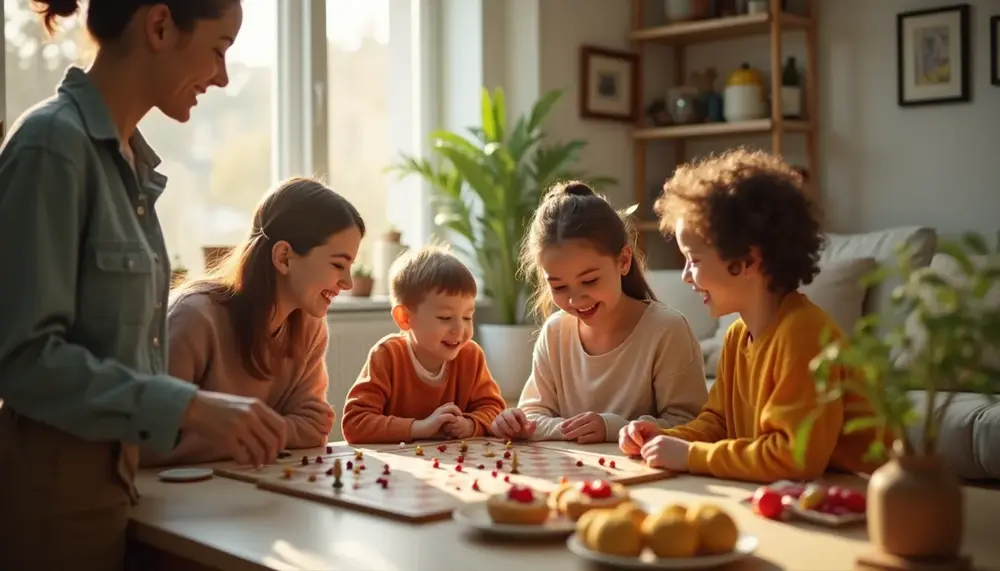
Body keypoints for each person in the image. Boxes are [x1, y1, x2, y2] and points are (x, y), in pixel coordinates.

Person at [0, 2, 288, 570]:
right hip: (48, 509)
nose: (223, 76)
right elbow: (22, 358)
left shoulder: (130, 166)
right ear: (159, 25)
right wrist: (192, 407)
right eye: (219, 48)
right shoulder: (50, 147)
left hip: (114, 495)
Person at [619, 148, 886, 483]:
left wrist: (689, 456)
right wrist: (665, 438)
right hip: (800, 495)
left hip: (857, 500)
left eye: (694, 260)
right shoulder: (737, 335)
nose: (686, 275)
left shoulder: (804, 334)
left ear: (748, 261)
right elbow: (718, 423)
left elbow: (793, 456)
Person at [141, 178, 364, 467]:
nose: (347, 283)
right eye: (338, 265)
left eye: (350, 268)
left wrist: (237, 430)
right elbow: (147, 440)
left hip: (247, 487)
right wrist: (271, 431)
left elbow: (313, 426)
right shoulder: (193, 318)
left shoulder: (309, 326)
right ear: (284, 257)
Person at [489, 182, 708, 443]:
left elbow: (693, 426)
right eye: (558, 286)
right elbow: (532, 414)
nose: (575, 299)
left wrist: (613, 428)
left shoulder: (667, 329)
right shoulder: (556, 331)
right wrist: (515, 422)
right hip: (569, 475)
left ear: (623, 261)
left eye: (590, 281)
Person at [341, 246, 505, 444]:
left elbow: (494, 410)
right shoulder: (387, 356)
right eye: (445, 317)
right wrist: (420, 428)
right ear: (405, 318)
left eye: (467, 317)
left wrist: (471, 424)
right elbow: (355, 423)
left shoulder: (471, 355)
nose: (459, 329)